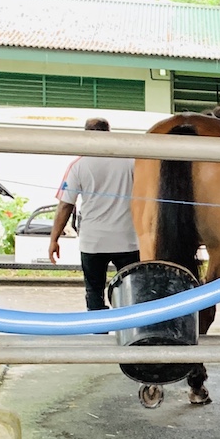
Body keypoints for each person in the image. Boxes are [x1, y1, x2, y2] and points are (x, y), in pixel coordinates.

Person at [49, 118, 140, 311]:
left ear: (86, 135)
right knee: (132, 290)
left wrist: (54, 239)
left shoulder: (79, 165)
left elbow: (66, 205)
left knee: (94, 291)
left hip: (93, 242)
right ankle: (130, 331)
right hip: (128, 239)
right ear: (108, 133)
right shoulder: (130, 161)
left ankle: (99, 335)